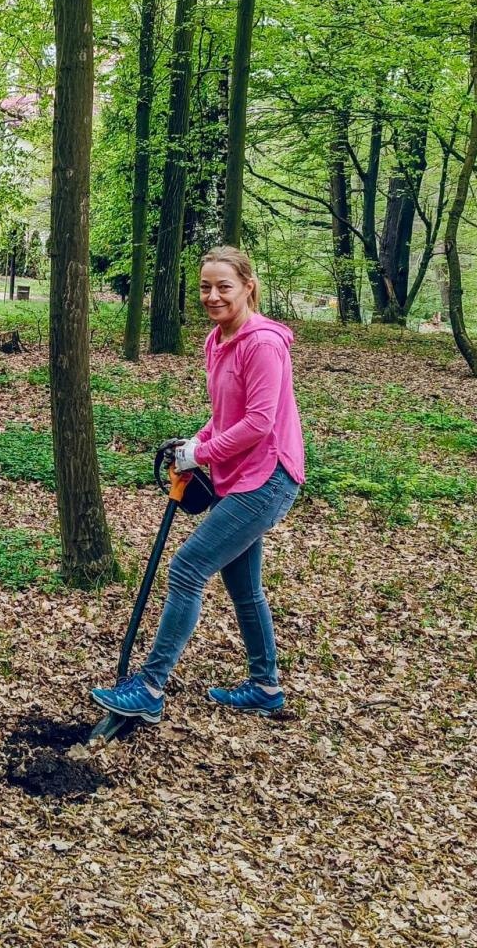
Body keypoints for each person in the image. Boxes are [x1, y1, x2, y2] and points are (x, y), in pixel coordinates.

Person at [91, 245, 305, 720]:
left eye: (223, 286)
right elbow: (226, 413)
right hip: (239, 475)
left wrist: (201, 454)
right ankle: (266, 687)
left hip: (267, 477)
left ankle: (149, 687)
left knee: (187, 569)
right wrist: (196, 440)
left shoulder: (263, 344)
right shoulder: (216, 340)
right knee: (242, 585)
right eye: (205, 287)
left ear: (248, 287)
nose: (213, 296)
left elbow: (259, 423)